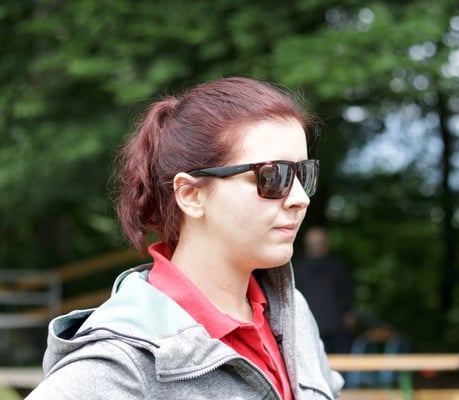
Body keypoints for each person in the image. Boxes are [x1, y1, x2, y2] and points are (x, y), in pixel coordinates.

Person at [26, 77, 343, 399]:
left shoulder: (292, 313)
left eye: (303, 174)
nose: (300, 198)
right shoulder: (124, 363)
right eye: (273, 177)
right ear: (191, 195)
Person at [294, 226, 354, 354]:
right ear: (326, 245)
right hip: (335, 326)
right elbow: (346, 295)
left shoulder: (298, 269)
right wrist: (347, 313)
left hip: (309, 326)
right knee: (340, 363)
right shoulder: (337, 267)